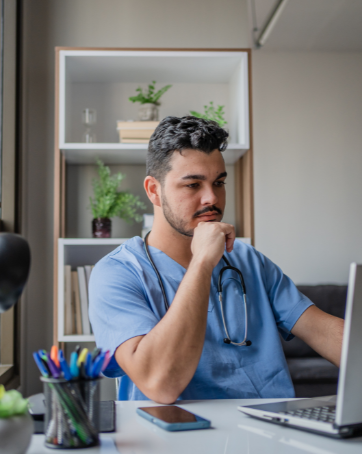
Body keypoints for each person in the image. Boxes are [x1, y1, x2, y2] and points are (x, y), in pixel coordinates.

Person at [88, 116, 344, 403]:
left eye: (219, 182)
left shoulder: (248, 260)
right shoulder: (116, 273)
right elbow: (159, 383)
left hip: (266, 432)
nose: (212, 198)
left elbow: (323, 331)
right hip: (175, 437)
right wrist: (202, 263)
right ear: (153, 191)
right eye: (193, 185)